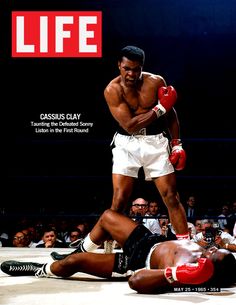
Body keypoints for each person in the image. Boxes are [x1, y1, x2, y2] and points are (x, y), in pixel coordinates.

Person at [1, 209, 235, 294]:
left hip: (136, 261)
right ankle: (75, 250)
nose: (211, 249)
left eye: (212, 254)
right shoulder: (210, 252)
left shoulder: (190, 273)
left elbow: (136, 281)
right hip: (149, 239)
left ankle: (40, 270)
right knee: (107, 217)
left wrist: (179, 275)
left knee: (74, 263)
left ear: (210, 268)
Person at [104, 45, 188, 239]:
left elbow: (171, 113)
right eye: (127, 69)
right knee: (119, 200)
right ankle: (110, 247)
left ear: (142, 66)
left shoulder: (156, 82)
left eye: (136, 69)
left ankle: (186, 246)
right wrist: (159, 109)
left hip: (156, 141)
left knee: (171, 196)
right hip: (126, 143)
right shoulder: (112, 90)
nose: (131, 74)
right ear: (119, 66)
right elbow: (130, 126)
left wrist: (177, 143)